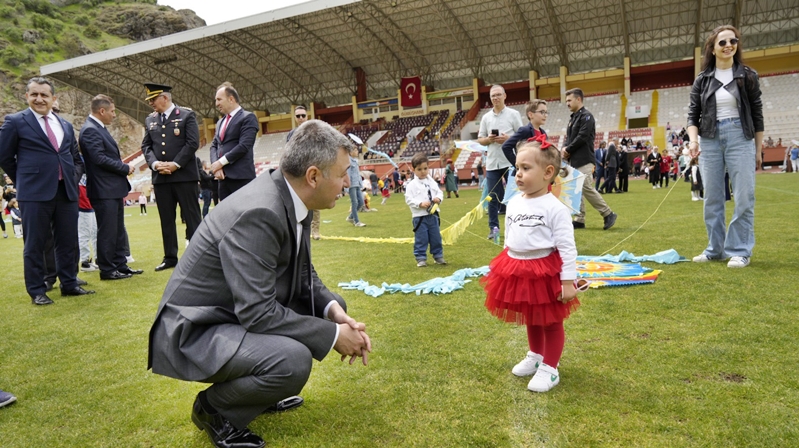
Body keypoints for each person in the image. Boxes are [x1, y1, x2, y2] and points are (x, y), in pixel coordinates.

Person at [148, 120, 371, 448]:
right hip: (195, 329)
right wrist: (335, 336)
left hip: (230, 312)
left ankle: (257, 394)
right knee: (292, 361)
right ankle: (215, 409)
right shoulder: (261, 211)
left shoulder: (291, 195)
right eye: (342, 174)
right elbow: (257, 312)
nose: (347, 182)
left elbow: (303, 273)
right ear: (313, 176)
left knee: (332, 306)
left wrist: (334, 313)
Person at [482, 138, 582, 393]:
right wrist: (504, 263)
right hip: (518, 268)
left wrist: (568, 282)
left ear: (548, 173)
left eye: (526, 168)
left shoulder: (555, 209)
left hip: (545, 271)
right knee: (531, 316)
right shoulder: (514, 202)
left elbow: (567, 247)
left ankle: (550, 368)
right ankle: (536, 355)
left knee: (550, 320)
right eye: (517, 168)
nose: (518, 174)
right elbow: (509, 236)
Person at [0, 76, 94, 305]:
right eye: (34, 94)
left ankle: (69, 283)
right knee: (35, 244)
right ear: (27, 97)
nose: (39, 99)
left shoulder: (64, 125)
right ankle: (37, 290)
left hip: (66, 191)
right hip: (34, 193)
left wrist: (71, 176)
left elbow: (75, 158)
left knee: (68, 241)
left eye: (44, 95)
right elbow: (4, 156)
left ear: (53, 98)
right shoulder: (15, 121)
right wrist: (25, 178)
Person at [687, 25, 763, 268]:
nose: (729, 45)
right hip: (709, 139)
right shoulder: (702, 79)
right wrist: (693, 141)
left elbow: (757, 114)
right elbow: (693, 115)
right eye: (723, 42)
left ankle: (740, 250)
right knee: (712, 197)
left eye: (733, 40)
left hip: (740, 136)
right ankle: (715, 249)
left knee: (743, 196)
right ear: (713, 47)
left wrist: (758, 149)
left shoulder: (747, 75)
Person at [141, 83, 203, 272]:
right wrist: (155, 164)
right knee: (166, 219)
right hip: (161, 178)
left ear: (165, 98)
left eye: (153, 99)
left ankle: (198, 256)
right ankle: (170, 257)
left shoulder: (186, 115)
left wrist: (175, 164)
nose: (151, 103)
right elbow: (146, 146)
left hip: (184, 176)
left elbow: (192, 143)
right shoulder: (150, 120)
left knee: (192, 218)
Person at [80, 94, 142, 281]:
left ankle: (120, 265)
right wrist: (124, 167)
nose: (114, 115)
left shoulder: (99, 128)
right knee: (107, 230)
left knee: (117, 230)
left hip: (112, 188)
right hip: (103, 189)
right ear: (102, 111)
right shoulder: (90, 130)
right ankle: (107, 269)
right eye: (113, 111)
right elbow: (99, 158)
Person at [561, 88, 617, 230]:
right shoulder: (573, 118)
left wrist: (568, 149)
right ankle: (579, 219)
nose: (567, 103)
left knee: (585, 187)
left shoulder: (587, 116)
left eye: (569, 100)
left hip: (584, 159)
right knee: (576, 188)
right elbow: (570, 138)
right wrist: (565, 148)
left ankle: (608, 213)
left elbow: (582, 136)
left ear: (578, 99)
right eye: (566, 100)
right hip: (573, 160)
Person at [478, 85, 523, 240]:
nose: (495, 98)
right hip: (492, 163)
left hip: (510, 161)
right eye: (492, 96)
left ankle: (518, 226)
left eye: (498, 95)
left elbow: (522, 136)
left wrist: (508, 139)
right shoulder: (485, 118)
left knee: (514, 196)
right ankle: (493, 228)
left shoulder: (514, 114)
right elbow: (480, 139)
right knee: (492, 196)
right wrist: (488, 139)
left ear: (505, 96)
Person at [209, 83, 259, 201]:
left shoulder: (248, 117)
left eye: (219, 99)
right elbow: (214, 145)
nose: (216, 104)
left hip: (241, 178)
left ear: (231, 99)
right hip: (223, 179)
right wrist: (217, 167)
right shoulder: (220, 122)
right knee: (226, 217)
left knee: (245, 216)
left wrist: (221, 162)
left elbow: (244, 145)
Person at [405, 153, 446, 267]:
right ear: (413, 170)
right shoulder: (411, 185)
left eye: (425, 168)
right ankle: (420, 257)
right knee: (421, 238)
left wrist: (438, 198)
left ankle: (438, 256)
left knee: (436, 237)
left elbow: (439, 192)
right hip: (420, 217)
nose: (423, 171)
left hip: (433, 215)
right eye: (419, 169)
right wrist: (419, 203)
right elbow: (408, 199)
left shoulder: (431, 181)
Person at [287, 106, 321, 239]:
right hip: (297, 171)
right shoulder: (291, 134)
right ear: (295, 118)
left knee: (315, 201)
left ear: (307, 116)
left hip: (312, 170)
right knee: (296, 200)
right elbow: (287, 153)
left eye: (303, 115)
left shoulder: (315, 131)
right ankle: (296, 228)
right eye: (298, 116)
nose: (301, 118)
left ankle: (315, 230)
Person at [77, 175, 98, 272]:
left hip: (90, 204)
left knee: (95, 233)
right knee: (84, 234)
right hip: (83, 205)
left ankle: (97, 258)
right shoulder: (79, 169)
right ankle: (84, 261)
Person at [345, 147, 366, 227]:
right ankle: (356, 221)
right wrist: (347, 186)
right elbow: (348, 174)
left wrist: (361, 184)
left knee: (361, 202)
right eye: (355, 150)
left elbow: (358, 174)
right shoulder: (348, 161)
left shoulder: (356, 161)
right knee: (354, 202)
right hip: (351, 185)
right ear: (350, 152)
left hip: (357, 184)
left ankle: (350, 217)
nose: (357, 152)